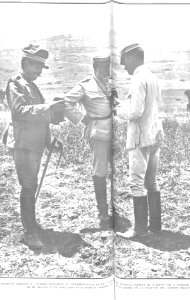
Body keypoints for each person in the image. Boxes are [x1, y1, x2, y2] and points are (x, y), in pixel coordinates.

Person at [5, 43, 66, 249]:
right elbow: (21, 111)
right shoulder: (16, 84)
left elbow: (42, 119)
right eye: (37, 67)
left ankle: (31, 223)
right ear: (26, 63)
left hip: (35, 146)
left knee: (31, 186)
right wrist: (48, 108)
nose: (39, 72)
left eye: (41, 68)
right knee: (29, 186)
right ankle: (30, 233)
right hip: (23, 146)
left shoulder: (33, 87)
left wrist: (49, 142)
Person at [115, 44, 164, 238]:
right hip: (154, 134)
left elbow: (135, 112)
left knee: (136, 181)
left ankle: (140, 230)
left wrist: (117, 110)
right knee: (151, 181)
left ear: (132, 58)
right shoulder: (152, 77)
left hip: (140, 137)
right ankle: (156, 226)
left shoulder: (137, 80)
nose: (123, 65)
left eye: (125, 61)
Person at [63, 54, 116, 229]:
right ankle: (103, 213)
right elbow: (65, 102)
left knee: (113, 171)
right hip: (98, 133)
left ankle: (113, 208)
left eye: (107, 69)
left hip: (113, 132)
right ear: (95, 68)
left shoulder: (109, 83)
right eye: (102, 69)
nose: (106, 72)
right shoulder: (85, 85)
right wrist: (82, 118)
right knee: (100, 171)